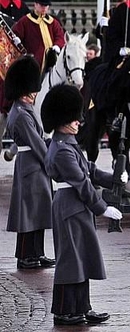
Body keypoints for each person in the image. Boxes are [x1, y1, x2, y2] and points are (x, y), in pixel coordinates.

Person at [41, 84, 123, 326]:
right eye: (73, 118)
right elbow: (82, 183)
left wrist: (115, 178)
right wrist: (103, 208)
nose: (78, 122)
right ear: (62, 119)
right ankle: (65, 312)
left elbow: (90, 170)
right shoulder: (62, 150)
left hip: (76, 208)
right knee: (70, 261)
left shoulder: (66, 144)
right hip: (69, 208)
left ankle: (82, 308)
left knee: (81, 259)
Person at [3, 56, 54, 270]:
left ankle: (37, 253)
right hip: (30, 166)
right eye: (31, 91)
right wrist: (52, 162)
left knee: (38, 212)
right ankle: (25, 255)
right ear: (24, 91)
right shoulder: (22, 114)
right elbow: (35, 143)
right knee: (28, 214)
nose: (34, 94)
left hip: (32, 166)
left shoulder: (24, 109)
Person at [11, 0, 65, 73]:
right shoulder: (25, 21)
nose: (44, 8)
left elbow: (60, 36)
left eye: (46, 6)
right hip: (33, 62)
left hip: (51, 61)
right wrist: (17, 40)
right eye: (41, 5)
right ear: (35, 5)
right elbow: (15, 34)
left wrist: (57, 45)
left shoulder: (53, 22)